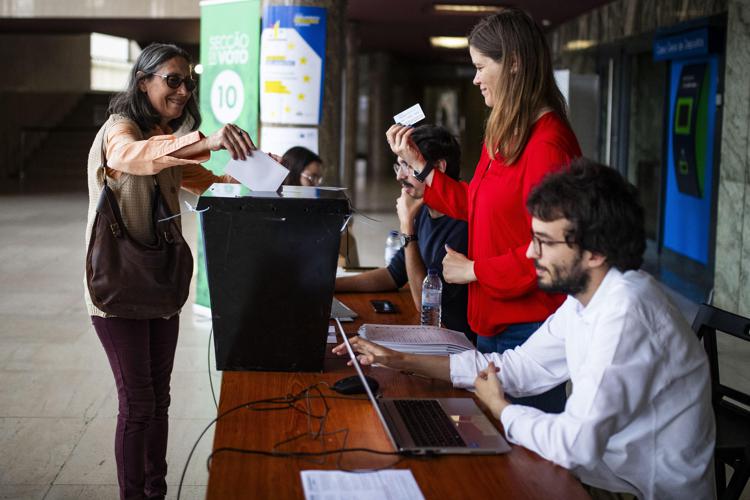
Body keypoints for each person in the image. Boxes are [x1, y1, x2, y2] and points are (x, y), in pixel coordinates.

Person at [335, 159, 716, 500]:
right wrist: (401, 360)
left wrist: (501, 408)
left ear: (595, 253)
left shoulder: (626, 314)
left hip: (635, 489)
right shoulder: (589, 296)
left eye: (544, 242)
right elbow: (519, 367)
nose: (531, 254)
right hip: (602, 476)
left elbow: (574, 445)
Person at [385, 8, 581, 412]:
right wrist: (419, 165)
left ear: (513, 64)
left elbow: (551, 251)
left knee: (525, 461)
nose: (474, 79)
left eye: (480, 67)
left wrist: (474, 269)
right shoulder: (506, 133)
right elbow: (475, 203)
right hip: (491, 320)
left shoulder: (547, 145)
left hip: (528, 330)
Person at [84, 43, 255, 500]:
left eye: (188, 82)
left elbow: (208, 185)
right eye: (172, 80)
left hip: (160, 281)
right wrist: (205, 140)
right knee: (138, 404)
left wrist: (260, 175)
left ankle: (154, 492)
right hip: (116, 286)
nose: (182, 90)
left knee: (159, 401)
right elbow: (130, 156)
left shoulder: (166, 138)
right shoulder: (119, 130)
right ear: (144, 81)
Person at [336, 124, 475, 343]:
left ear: (438, 168)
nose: (400, 176)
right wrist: (330, 286)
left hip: (458, 342)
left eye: (408, 165)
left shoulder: (463, 224)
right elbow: (393, 274)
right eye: (398, 166)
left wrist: (407, 228)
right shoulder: (424, 210)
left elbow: (424, 305)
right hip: (435, 332)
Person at [281, 145, 360, 267]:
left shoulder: (313, 202)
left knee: (349, 241)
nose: (316, 184)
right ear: (293, 173)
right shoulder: (279, 207)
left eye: (319, 179)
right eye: (312, 177)